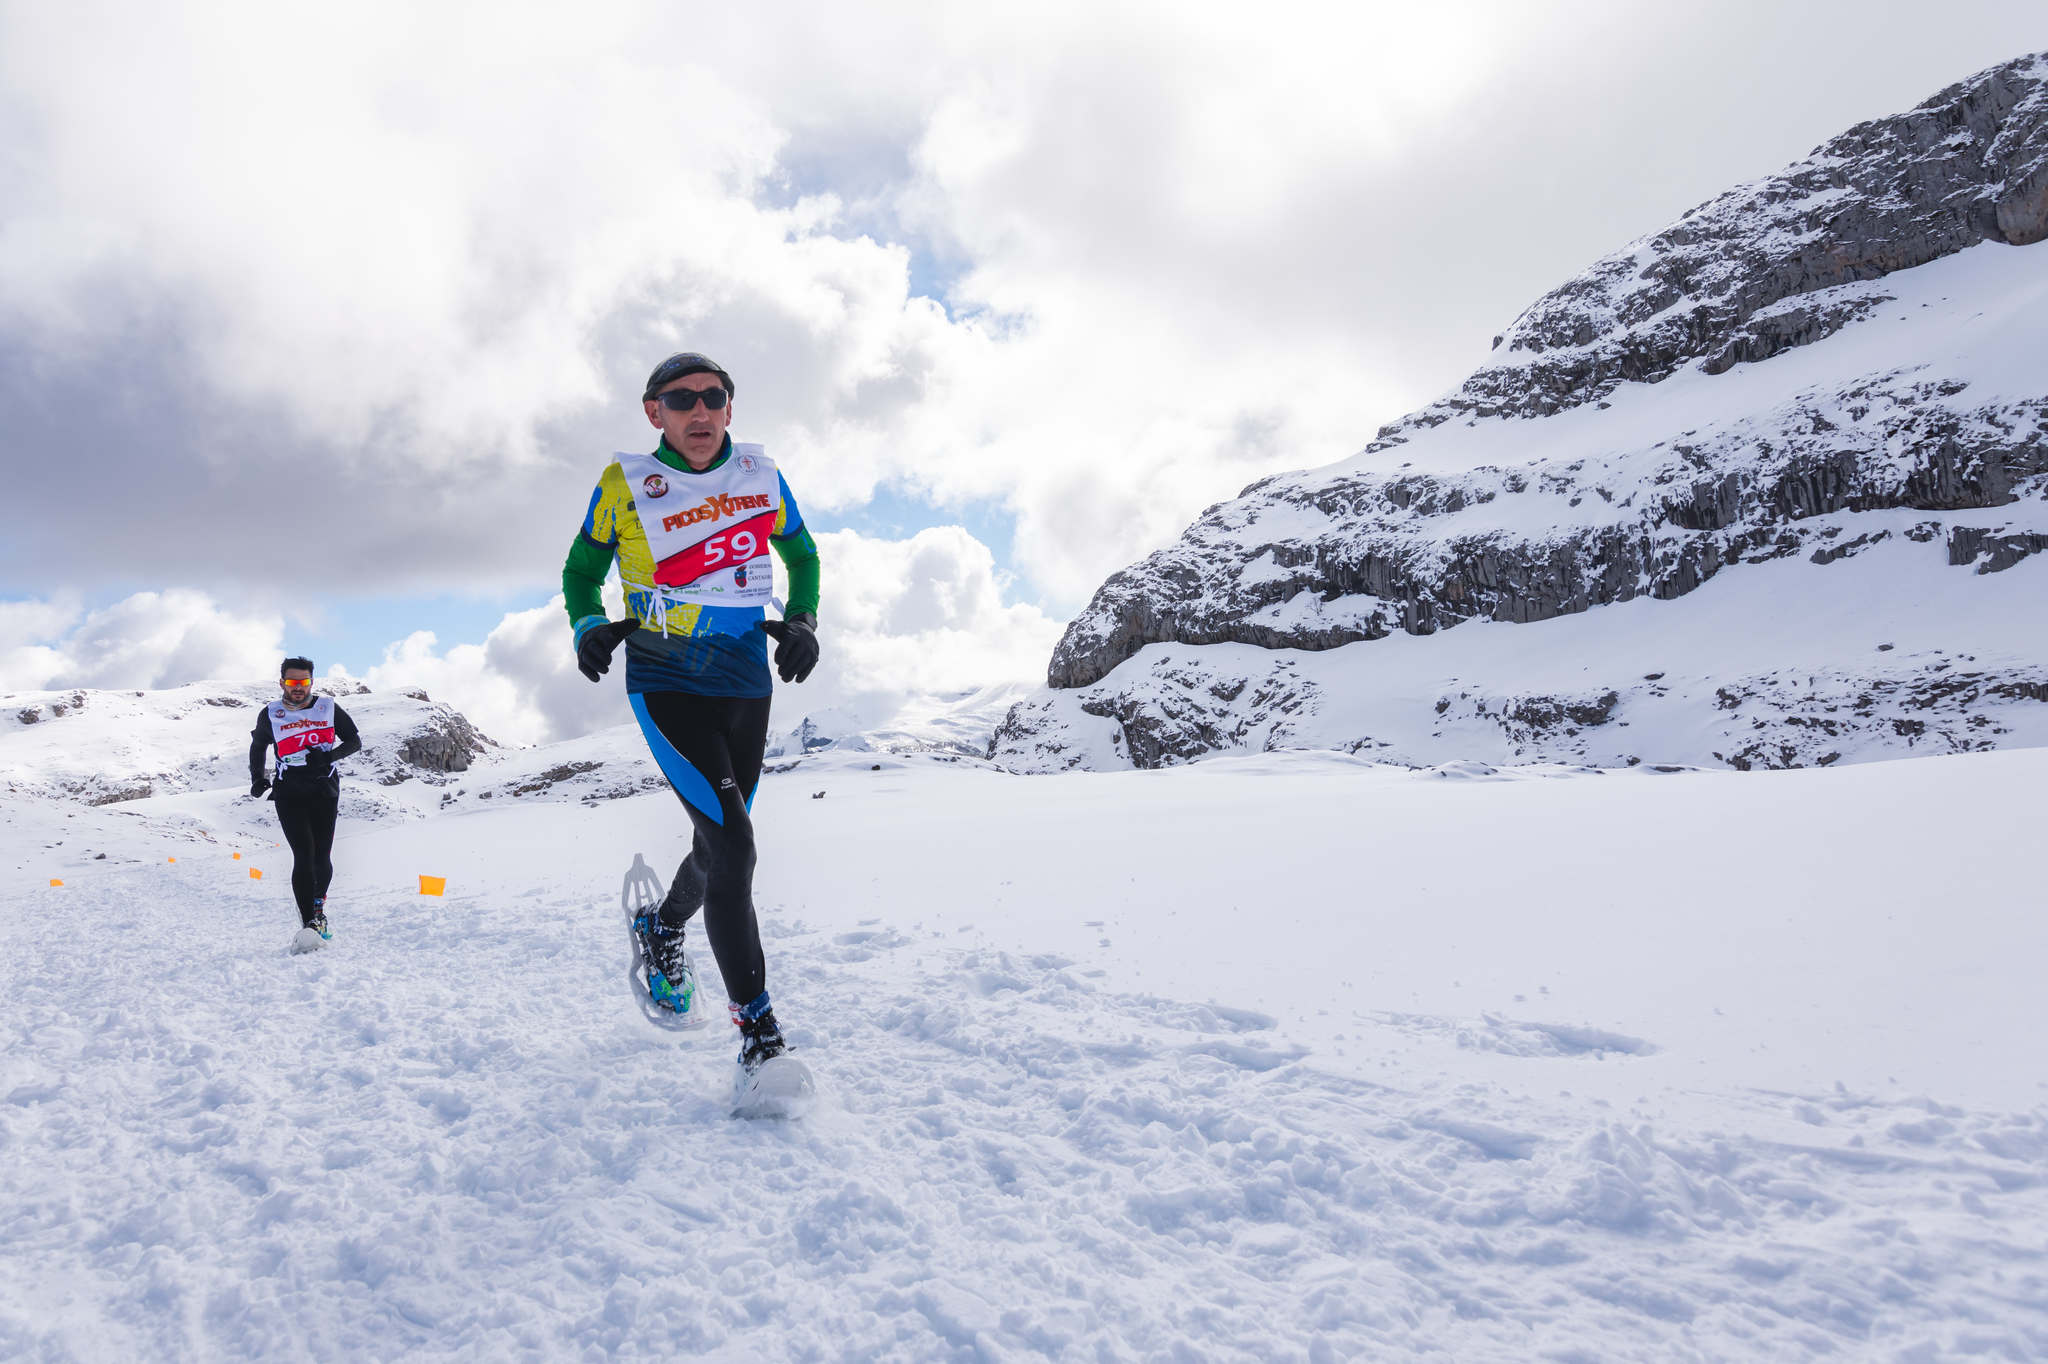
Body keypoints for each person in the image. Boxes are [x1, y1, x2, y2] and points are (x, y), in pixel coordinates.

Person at [564, 351, 821, 1096]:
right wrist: (587, 624)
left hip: (745, 676)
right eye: (681, 400)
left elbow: (801, 554)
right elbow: (582, 571)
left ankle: (662, 927)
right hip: (664, 674)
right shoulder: (624, 485)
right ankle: (759, 1038)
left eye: (713, 398)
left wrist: (802, 618)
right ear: (655, 413)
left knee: (718, 842)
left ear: (730, 408)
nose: (699, 412)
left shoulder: (761, 478)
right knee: (735, 840)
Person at [247, 657, 362, 946]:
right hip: (289, 790)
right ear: (282, 682)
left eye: (303, 682)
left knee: (322, 855)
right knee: (303, 854)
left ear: (311, 682)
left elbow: (354, 741)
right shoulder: (271, 713)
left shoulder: (328, 708)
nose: (297, 687)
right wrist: (257, 778)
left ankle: (319, 906)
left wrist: (328, 756)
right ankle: (309, 920)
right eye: (292, 682)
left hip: (324, 789)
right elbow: (259, 745)